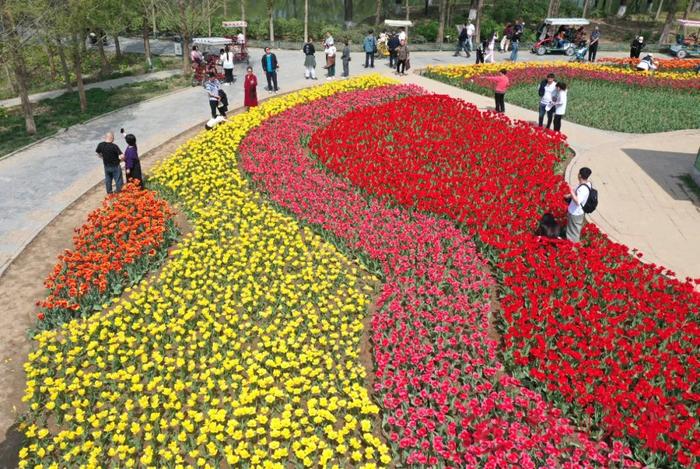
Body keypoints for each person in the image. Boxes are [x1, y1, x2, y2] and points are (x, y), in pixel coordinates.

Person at [565, 167, 593, 243]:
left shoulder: (583, 189)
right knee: (573, 230)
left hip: (576, 213)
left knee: (573, 233)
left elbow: (577, 201)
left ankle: (573, 247)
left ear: (580, 175)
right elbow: (576, 192)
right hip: (576, 212)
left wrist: (570, 191)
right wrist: (567, 196)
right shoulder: (587, 184)